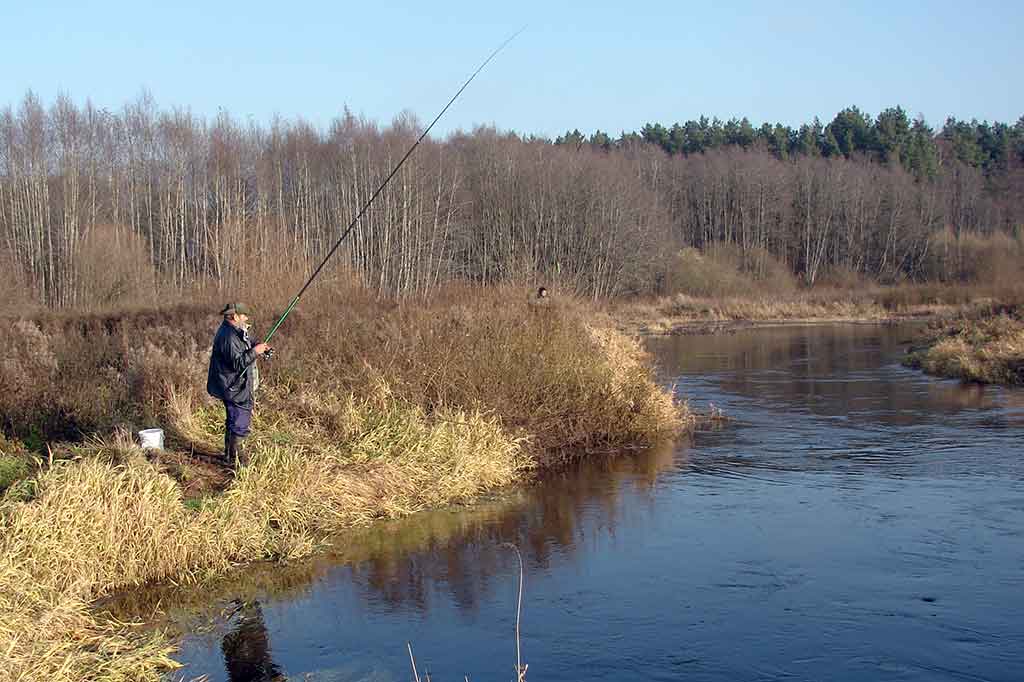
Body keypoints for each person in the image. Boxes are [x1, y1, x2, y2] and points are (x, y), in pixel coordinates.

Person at [207, 303, 270, 467]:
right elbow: (238, 363)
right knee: (239, 423)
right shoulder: (228, 337)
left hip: (232, 386)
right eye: (244, 315)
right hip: (235, 388)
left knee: (233, 420)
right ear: (234, 317)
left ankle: (229, 457)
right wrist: (256, 352)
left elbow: (246, 342)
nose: (246, 318)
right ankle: (238, 463)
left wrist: (259, 346)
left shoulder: (233, 331)